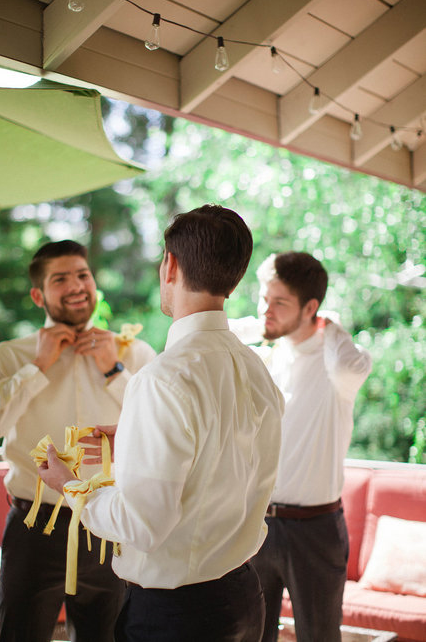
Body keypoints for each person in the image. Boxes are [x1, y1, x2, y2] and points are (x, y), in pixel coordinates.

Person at [38, 205, 284, 642]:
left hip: (180, 615)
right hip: (245, 597)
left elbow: (142, 525)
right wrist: (134, 439)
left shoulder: (163, 378)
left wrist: (69, 485)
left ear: (169, 265)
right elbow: (226, 461)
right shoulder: (254, 367)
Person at [0, 240, 156, 642]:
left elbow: (161, 426)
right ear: (38, 294)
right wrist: (35, 368)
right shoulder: (6, 358)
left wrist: (115, 371)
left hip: (111, 526)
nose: (76, 285)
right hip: (36, 528)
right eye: (60, 278)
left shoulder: (134, 354)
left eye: (82, 275)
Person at [236, 251, 372, 642]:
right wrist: (263, 325)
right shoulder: (270, 354)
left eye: (279, 302)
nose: (266, 310)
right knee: (251, 635)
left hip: (316, 529)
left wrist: (330, 327)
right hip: (258, 524)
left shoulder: (337, 364)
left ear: (311, 307)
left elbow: (352, 368)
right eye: (264, 298)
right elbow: (216, 333)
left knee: (319, 636)